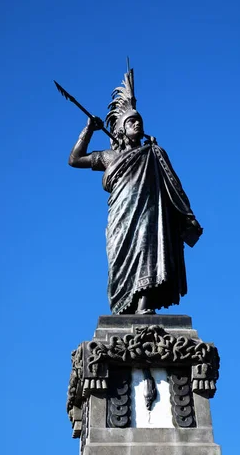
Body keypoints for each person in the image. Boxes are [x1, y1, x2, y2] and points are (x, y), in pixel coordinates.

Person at [69, 67, 202, 315]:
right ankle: (125, 307)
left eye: (139, 120)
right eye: (131, 120)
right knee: (120, 259)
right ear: (120, 129)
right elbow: (75, 159)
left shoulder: (154, 153)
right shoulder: (109, 157)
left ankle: (145, 304)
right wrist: (88, 129)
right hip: (121, 215)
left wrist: (186, 215)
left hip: (149, 212)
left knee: (147, 246)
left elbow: (174, 185)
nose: (138, 123)